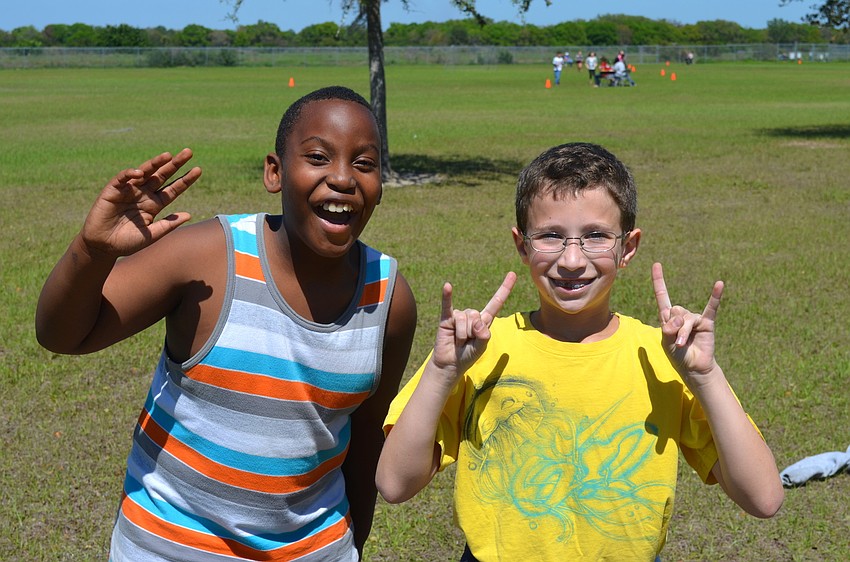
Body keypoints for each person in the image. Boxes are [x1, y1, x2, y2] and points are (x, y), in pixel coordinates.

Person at [35, 86, 418, 561]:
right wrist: (93, 253)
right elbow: (62, 335)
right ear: (274, 172)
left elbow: (364, 446)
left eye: (364, 163)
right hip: (167, 548)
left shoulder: (388, 300)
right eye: (318, 157)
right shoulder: (207, 258)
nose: (342, 178)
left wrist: (350, 548)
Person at [376, 142, 784, 561]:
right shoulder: (477, 350)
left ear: (628, 248)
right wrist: (443, 372)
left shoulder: (663, 357)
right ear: (522, 245)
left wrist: (705, 377)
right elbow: (393, 483)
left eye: (596, 236)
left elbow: (763, 498)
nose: (572, 259)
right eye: (551, 235)